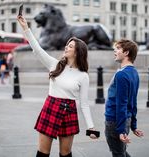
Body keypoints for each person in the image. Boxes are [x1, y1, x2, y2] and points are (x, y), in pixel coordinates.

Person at [17, 15, 98, 157]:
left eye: (71, 46)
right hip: (51, 107)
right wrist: (26, 28)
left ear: (78, 52)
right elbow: (37, 49)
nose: (66, 47)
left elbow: (84, 104)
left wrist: (91, 127)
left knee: (65, 154)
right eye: (67, 45)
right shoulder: (54, 64)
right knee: (43, 153)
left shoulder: (83, 76)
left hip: (69, 111)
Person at [104, 39, 144, 157]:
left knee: (118, 154)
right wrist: (133, 125)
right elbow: (133, 101)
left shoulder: (121, 74)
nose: (114, 51)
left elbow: (122, 103)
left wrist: (121, 130)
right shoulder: (134, 73)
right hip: (125, 120)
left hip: (115, 121)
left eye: (117, 49)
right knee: (121, 152)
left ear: (126, 53)